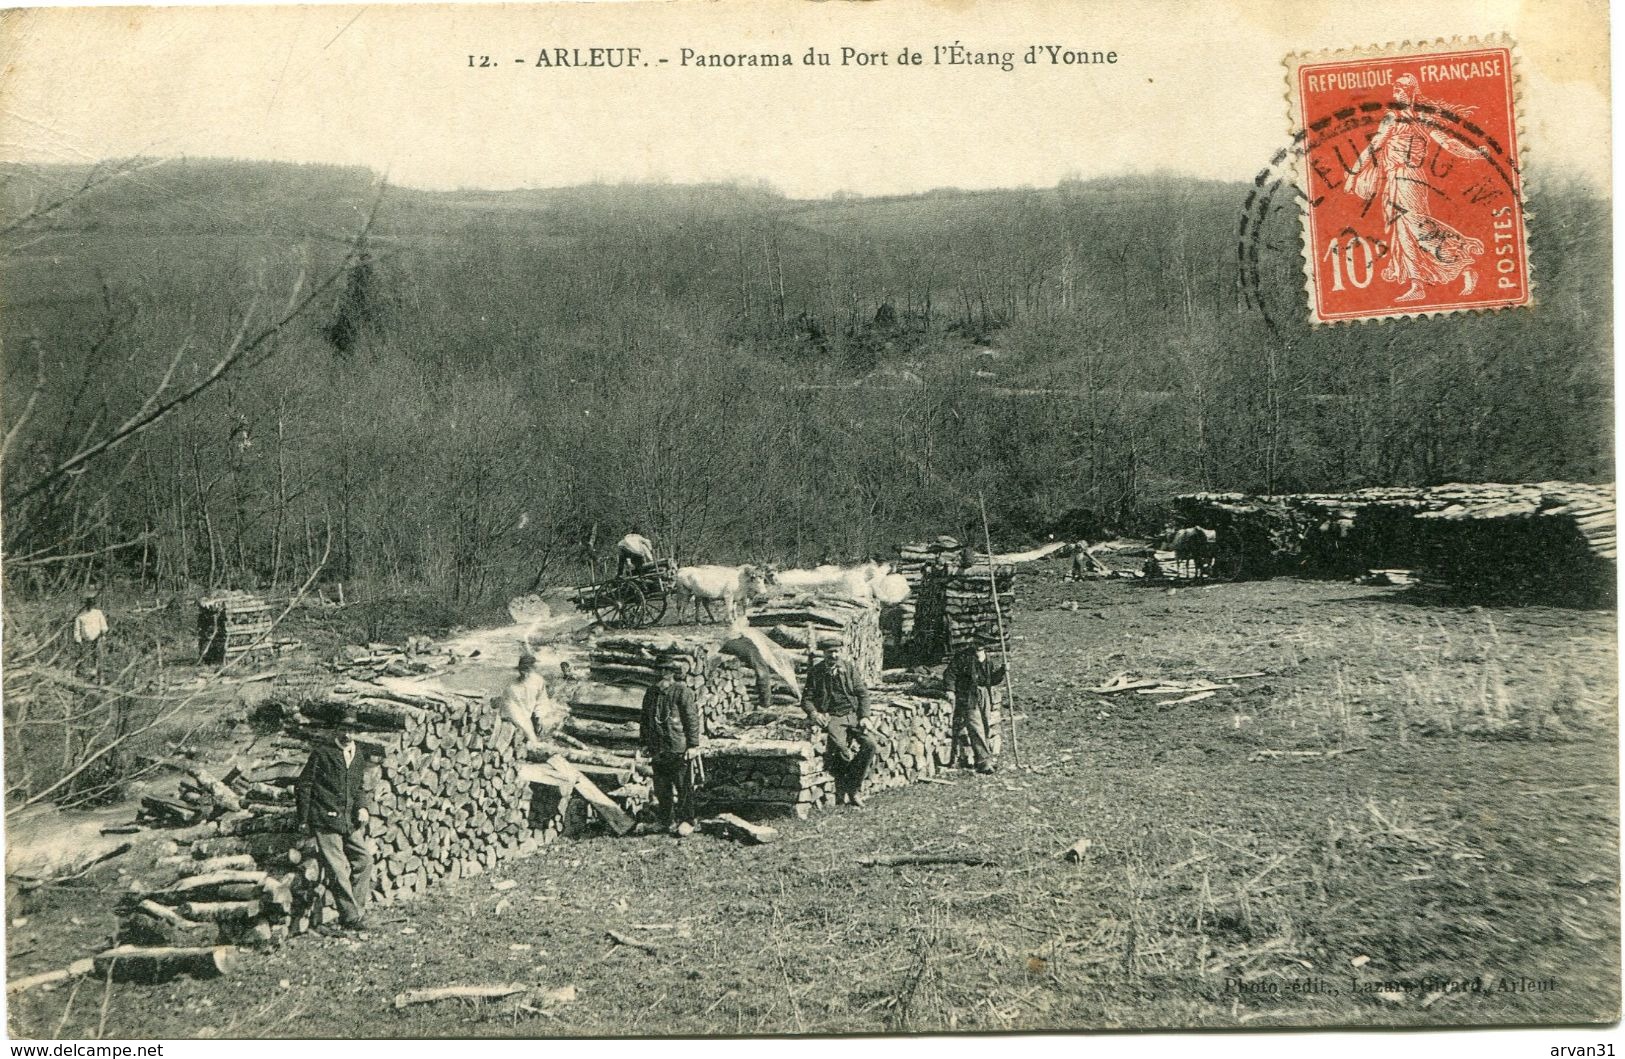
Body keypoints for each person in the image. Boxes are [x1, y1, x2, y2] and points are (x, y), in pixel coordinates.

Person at [1342, 73, 1486, 303]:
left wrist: (1474, 154)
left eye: (1401, 90)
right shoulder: (1394, 118)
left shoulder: (1421, 120)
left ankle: (1463, 261)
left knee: (1418, 227)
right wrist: (1354, 173)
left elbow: (1447, 142)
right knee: (1404, 231)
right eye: (1395, 90)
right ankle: (1419, 283)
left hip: (1409, 177)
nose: (1397, 94)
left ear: (1411, 93)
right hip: (1394, 179)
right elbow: (1374, 146)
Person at [295, 719, 374, 934]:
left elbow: (358, 787)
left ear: (356, 732)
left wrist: (362, 807)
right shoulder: (322, 753)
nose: (347, 735)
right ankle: (351, 917)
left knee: (365, 861)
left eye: (351, 731)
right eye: (342, 730)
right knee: (339, 869)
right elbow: (304, 785)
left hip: (348, 821)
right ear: (336, 731)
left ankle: (357, 910)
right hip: (325, 819)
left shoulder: (358, 755)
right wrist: (303, 819)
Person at [804, 641, 876, 807]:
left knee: (870, 745)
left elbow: (863, 694)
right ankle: (849, 790)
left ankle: (853, 788)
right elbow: (806, 699)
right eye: (829, 652)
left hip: (853, 715)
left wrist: (865, 717)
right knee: (841, 750)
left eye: (836, 652)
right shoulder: (816, 672)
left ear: (840, 652)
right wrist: (814, 713)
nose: (833, 656)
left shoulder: (849, 668)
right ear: (823, 653)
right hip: (834, 717)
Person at [639, 658, 702, 836]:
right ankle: (665, 820)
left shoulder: (682, 691)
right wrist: (644, 742)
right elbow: (644, 720)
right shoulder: (650, 693)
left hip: (678, 748)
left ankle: (687, 821)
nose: (662, 675)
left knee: (683, 787)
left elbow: (691, 719)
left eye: (666, 671)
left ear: (672, 673)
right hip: (658, 749)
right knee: (661, 788)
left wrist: (693, 745)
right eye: (659, 671)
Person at [947, 639, 1006, 774]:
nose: (979, 645)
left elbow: (991, 680)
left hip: (984, 693)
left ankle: (985, 759)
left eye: (982, 642)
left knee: (985, 725)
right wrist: (950, 689)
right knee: (975, 726)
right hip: (968, 695)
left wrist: (1003, 670)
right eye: (977, 641)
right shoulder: (963, 656)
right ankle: (983, 761)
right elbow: (950, 673)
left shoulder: (987, 658)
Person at [499, 650, 560, 746]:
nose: (524, 673)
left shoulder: (538, 681)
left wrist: (540, 717)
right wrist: (527, 729)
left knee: (544, 730)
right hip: (513, 719)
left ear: (532, 669)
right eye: (522, 670)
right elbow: (509, 708)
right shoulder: (511, 685)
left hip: (529, 716)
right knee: (531, 740)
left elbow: (542, 701)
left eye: (527, 670)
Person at [73, 593, 109, 679]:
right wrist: (78, 640)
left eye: (91, 603)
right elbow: (77, 629)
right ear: (85, 604)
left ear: (93, 604)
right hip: (85, 640)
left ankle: (98, 676)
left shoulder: (98, 613)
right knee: (84, 656)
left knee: (98, 657)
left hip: (98, 638)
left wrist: (102, 634)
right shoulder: (81, 615)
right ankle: (82, 674)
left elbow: (104, 626)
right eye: (88, 603)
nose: (89, 605)